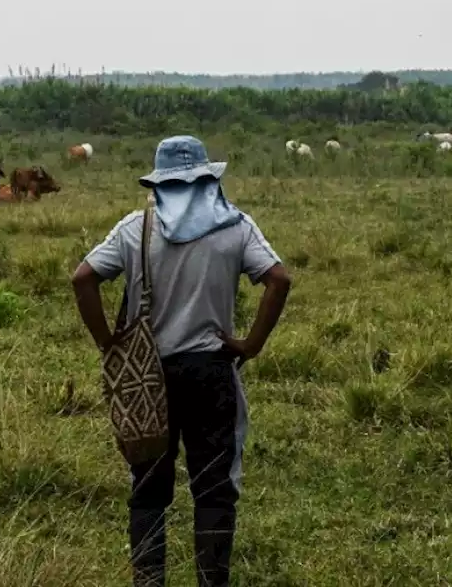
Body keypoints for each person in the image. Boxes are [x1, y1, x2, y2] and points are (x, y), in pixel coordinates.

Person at [71, 134, 292, 587]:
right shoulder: (235, 226)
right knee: (214, 489)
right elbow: (278, 279)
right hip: (212, 372)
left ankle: (149, 582)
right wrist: (251, 344)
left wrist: (108, 343)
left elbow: (83, 278)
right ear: (208, 178)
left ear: (158, 184)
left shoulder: (136, 228)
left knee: (149, 489)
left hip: (150, 379)